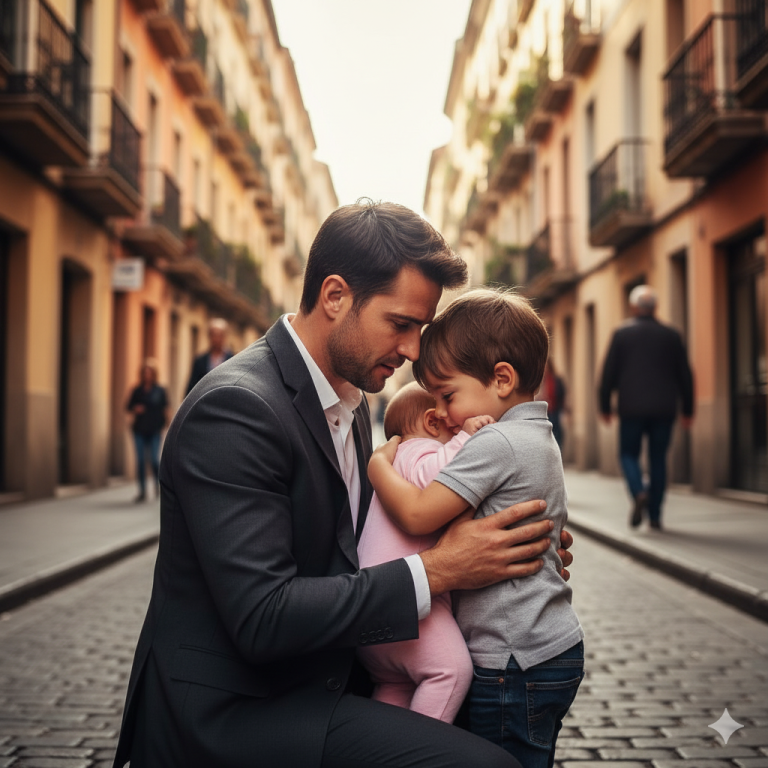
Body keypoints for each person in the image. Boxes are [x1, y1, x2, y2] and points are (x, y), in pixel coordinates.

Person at [113, 200, 574, 768]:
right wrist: (442, 569)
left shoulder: (351, 403)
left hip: (332, 675)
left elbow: (362, 541)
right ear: (335, 297)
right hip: (242, 710)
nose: (411, 351)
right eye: (401, 324)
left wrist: (501, 541)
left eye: (420, 329)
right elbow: (263, 616)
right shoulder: (235, 408)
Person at [369, 288, 584, 768]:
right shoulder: (537, 434)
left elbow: (420, 513)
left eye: (448, 395)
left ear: (501, 379)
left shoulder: (494, 442)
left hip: (510, 660)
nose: (442, 414)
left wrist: (380, 466)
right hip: (546, 647)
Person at [357, 382, 493, 723]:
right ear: (433, 423)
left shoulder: (393, 464)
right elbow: (430, 474)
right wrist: (467, 438)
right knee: (450, 670)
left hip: (376, 617)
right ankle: (419, 754)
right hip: (408, 611)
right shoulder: (414, 452)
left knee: (395, 686)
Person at [598, 285, 694, 530]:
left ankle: (639, 491)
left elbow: (608, 373)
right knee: (658, 458)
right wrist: (688, 409)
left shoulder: (622, 334)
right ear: (655, 308)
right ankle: (655, 516)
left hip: (631, 408)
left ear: (633, 307)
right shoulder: (671, 335)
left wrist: (605, 405)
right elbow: (685, 374)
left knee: (628, 454)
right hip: (664, 408)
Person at [125, 360, 169, 503]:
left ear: (154, 374)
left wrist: (167, 424)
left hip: (155, 429)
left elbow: (166, 408)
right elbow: (128, 406)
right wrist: (135, 409)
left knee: (155, 461)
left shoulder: (160, 390)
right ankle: (142, 491)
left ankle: (157, 486)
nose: (147, 375)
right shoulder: (137, 390)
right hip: (139, 430)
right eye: (145, 372)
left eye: (150, 372)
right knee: (141, 461)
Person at [185, 317, 234, 394]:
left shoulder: (232, 360)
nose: (216, 339)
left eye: (219, 335)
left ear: (224, 337)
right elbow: (192, 386)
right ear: (209, 336)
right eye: (214, 335)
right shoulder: (200, 361)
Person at [537, 358, 566, 449]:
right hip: (543, 413)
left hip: (555, 411)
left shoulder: (556, 380)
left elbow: (562, 394)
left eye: (546, 366)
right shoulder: (538, 381)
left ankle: (558, 451)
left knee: (557, 434)